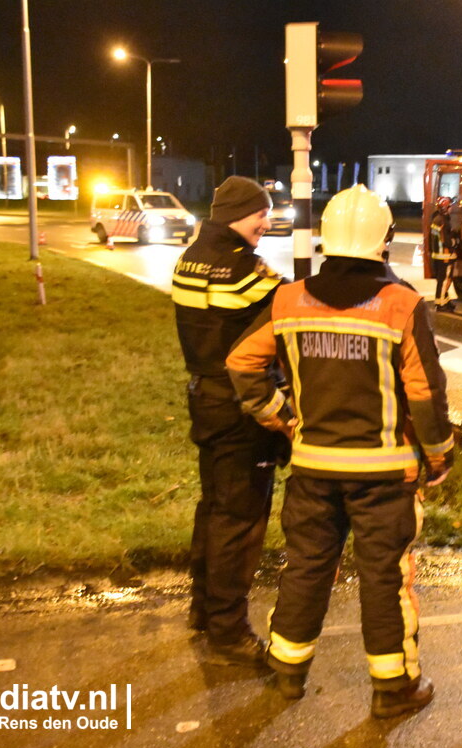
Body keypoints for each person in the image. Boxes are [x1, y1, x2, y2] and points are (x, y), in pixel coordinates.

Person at [226, 184, 454, 718]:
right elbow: (425, 394)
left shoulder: (287, 300)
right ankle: (393, 688)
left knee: (306, 567)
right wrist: (439, 456)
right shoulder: (402, 305)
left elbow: (241, 363)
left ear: (325, 239)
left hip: (313, 469)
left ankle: (287, 671)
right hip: (384, 477)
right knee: (385, 579)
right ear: (384, 241)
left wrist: (282, 418)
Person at [171, 176, 288, 667]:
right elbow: (290, 306)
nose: (266, 223)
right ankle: (228, 628)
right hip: (241, 408)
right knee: (239, 519)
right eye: (261, 214)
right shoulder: (243, 270)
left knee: (214, 507)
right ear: (239, 214)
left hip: (204, 396)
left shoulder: (191, 257)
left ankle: (202, 609)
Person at [429, 196, 456, 308]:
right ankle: (440, 303)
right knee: (444, 279)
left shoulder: (436, 219)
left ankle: (444, 299)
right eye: (450, 206)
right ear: (446, 208)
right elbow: (446, 240)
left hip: (437, 255)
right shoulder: (443, 221)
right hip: (445, 255)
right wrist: (454, 242)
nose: (451, 208)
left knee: (441, 279)